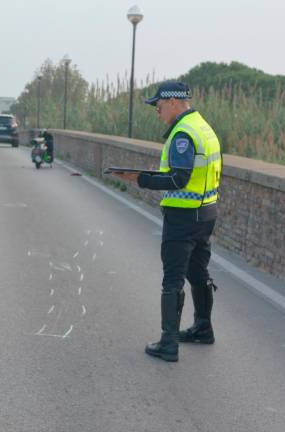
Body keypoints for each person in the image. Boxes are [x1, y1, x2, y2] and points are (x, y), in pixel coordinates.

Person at [110, 81, 222, 362]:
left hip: (183, 217)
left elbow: (178, 178)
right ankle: (203, 328)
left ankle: (168, 343)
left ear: (173, 102)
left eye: (158, 106)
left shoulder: (183, 133)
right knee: (198, 273)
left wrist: (140, 179)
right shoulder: (203, 127)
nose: (157, 111)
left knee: (173, 279)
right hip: (206, 213)